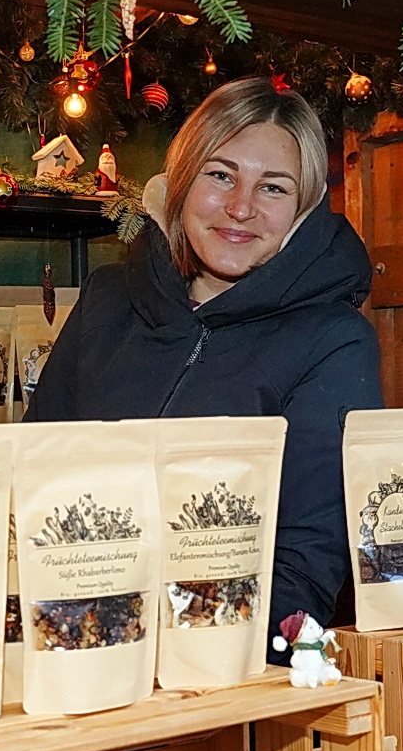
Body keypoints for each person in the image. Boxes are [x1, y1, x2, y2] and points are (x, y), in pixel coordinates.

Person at [27, 77, 384, 644]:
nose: (240, 207)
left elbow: (306, 566)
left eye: (273, 188)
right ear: (182, 183)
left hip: (220, 674)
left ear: (304, 210)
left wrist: (160, 641)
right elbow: (33, 482)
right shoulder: (108, 299)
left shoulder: (334, 341)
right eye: (220, 175)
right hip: (64, 647)